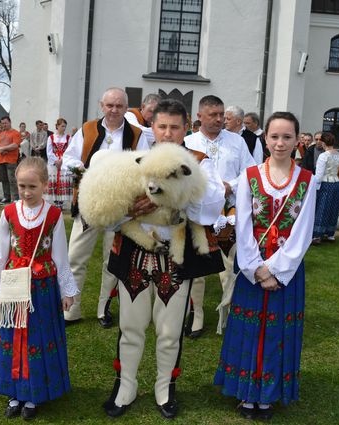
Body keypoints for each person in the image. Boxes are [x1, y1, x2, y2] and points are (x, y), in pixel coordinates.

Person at [102, 98, 225, 419]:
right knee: (131, 326)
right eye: (162, 126)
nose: (168, 133)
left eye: (175, 127)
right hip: (134, 254)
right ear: (151, 127)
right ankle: (125, 386)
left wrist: (172, 197)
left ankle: (163, 387)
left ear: (186, 128)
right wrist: (128, 208)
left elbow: (211, 207)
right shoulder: (132, 161)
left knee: (170, 331)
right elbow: (107, 211)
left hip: (177, 257)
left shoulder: (199, 162)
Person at [214, 111, 316, 421]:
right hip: (251, 266)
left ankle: (268, 394)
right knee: (250, 327)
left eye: (287, 137)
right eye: (274, 136)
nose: (280, 143)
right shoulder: (250, 176)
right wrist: (255, 268)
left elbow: (303, 231)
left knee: (276, 331)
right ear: (265, 139)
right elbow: (243, 225)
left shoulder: (308, 180)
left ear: (297, 140)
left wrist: (277, 270)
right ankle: (246, 392)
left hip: (286, 271)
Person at [0, 157, 79, 420]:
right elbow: (1, 253)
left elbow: (60, 255)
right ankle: (15, 392)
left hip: (43, 288)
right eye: (21, 186)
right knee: (14, 337)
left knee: (37, 339)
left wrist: (67, 290)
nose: (26, 192)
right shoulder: (8, 212)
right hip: (14, 285)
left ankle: (34, 394)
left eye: (32, 187)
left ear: (45, 185)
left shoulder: (53, 215)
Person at [62, 87, 147, 326]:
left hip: (120, 206)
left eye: (119, 106)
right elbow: (68, 159)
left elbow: (145, 164)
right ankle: (71, 309)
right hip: (89, 202)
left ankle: (103, 309)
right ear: (102, 105)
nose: (114, 110)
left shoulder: (137, 134)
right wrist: (84, 171)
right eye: (110, 105)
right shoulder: (87, 129)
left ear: (126, 108)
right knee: (75, 257)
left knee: (112, 260)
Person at [184, 95, 256, 337]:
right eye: (213, 115)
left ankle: (230, 315)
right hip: (197, 212)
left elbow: (250, 172)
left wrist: (230, 185)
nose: (218, 119)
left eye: (221, 115)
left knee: (229, 267)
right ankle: (197, 316)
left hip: (230, 211)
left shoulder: (237, 142)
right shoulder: (188, 142)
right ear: (199, 116)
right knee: (197, 269)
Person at [312, 132, 339, 244]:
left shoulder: (323, 156)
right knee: (333, 208)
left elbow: (319, 176)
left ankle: (317, 235)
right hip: (336, 182)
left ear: (324, 142)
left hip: (325, 183)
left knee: (322, 208)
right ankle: (330, 234)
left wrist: (312, 182)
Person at [0, 116, 22, 203]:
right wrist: (0, 149)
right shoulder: (1, 134)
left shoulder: (16, 133)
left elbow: (15, 145)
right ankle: (7, 197)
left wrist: (3, 148)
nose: (4, 125)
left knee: (12, 180)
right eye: (2, 123)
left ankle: (15, 198)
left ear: (10, 122)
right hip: (0, 160)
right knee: (4, 180)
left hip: (11, 160)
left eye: (5, 123)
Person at [45, 118, 71, 208]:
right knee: (54, 180)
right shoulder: (51, 137)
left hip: (64, 162)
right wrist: (56, 160)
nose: (64, 128)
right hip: (54, 163)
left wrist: (62, 160)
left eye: (65, 126)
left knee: (63, 180)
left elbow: (69, 151)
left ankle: (61, 201)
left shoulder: (68, 138)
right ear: (57, 126)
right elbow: (49, 151)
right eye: (62, 126)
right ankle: (56, 201)